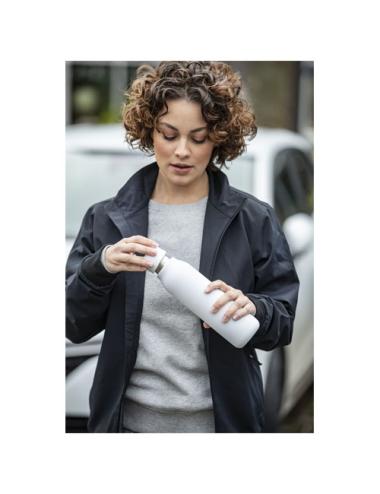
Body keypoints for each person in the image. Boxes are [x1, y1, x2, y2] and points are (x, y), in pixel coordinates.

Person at [66, 61, 299, 433]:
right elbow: (72, 323)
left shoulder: (253, 220)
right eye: (169, 134)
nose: (182, 151)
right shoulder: (106, 220)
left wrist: (254, 306)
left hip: (220, 427)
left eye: (199, 137)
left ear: (219, 137)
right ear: (149, 131)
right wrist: (101, 266)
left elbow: (282, 322)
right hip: (125, 428)